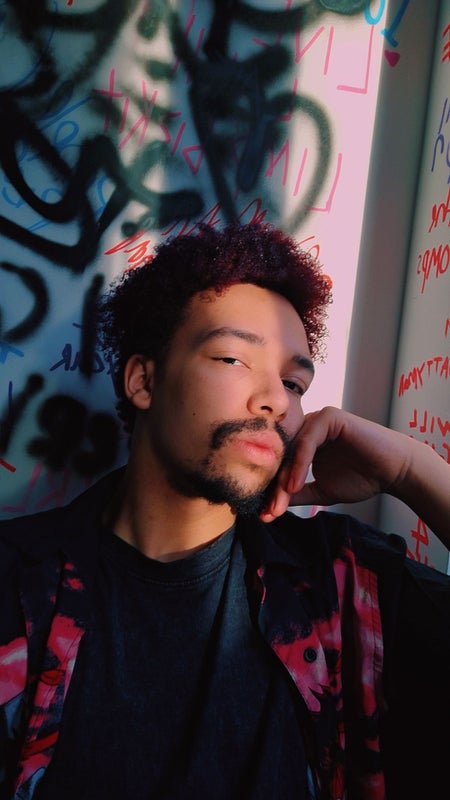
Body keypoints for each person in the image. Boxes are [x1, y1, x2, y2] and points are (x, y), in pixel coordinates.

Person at [0, 222, 449, 800]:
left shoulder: (339, 585)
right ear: (143, 380)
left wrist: (411, 469)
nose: (275, 400)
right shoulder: (16, 583)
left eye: (294, 383)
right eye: (234, 358)